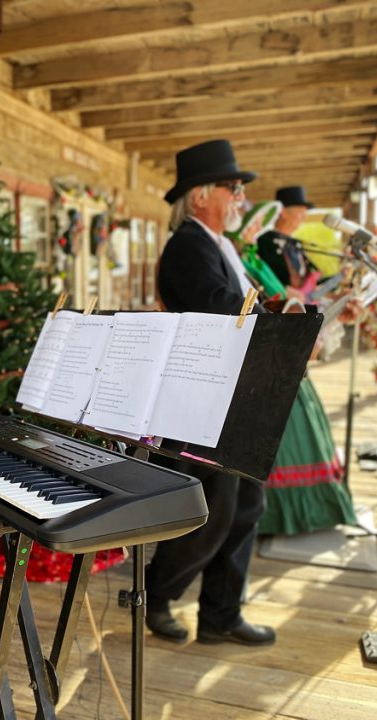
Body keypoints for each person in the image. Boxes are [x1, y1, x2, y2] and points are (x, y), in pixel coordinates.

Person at [147, 139, 276, 646]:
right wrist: (273, 319)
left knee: (246, 508)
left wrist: (282, 312)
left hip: (235, 397)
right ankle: (156, 595)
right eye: (233, 187)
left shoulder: (219, 245)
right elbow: (219, 307)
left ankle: (222, 614)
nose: (240, 197)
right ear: (201, 195)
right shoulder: (187, 245)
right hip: (205, 401)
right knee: (213, 511)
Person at [229, 204, 358, 536]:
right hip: (265, 358)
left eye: (260, 222)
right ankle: (277, 516)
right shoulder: (239, 262)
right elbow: (267, 304)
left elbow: (282, 300)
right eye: (254, 221)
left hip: (282, 351)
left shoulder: (252, 261)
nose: (256, 227)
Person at [256, 185, 317, 293]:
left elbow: (312, 282)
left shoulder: (295, 244)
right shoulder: (264, 241)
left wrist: (340, 278)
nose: (304, 217)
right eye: (301, 212)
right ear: (283, 213)